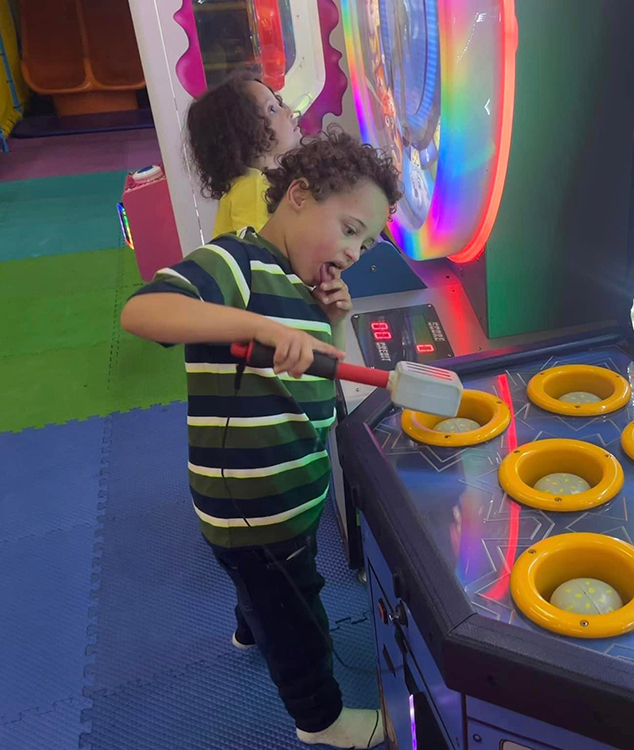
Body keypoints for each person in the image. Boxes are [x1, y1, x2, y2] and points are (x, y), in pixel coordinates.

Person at [121, 128, 403, 748]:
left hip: (290, 493)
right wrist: (261, 327)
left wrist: (332, 320)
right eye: (350, 229)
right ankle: (322, 721)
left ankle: (251, 623)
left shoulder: (303, 286)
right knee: (297, 619)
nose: (354, 252)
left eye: (366, 243)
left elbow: (318, 376)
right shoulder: (236, 264)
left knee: (269, 585)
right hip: (255, 507)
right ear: (298, 195)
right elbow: (142, 311)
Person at [186, 71, 301, 238]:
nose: (289, 112)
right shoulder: (253, 187)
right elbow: (259, 250)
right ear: (247, 133)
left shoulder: (257, 181)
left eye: (279, 104)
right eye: (272, 109)